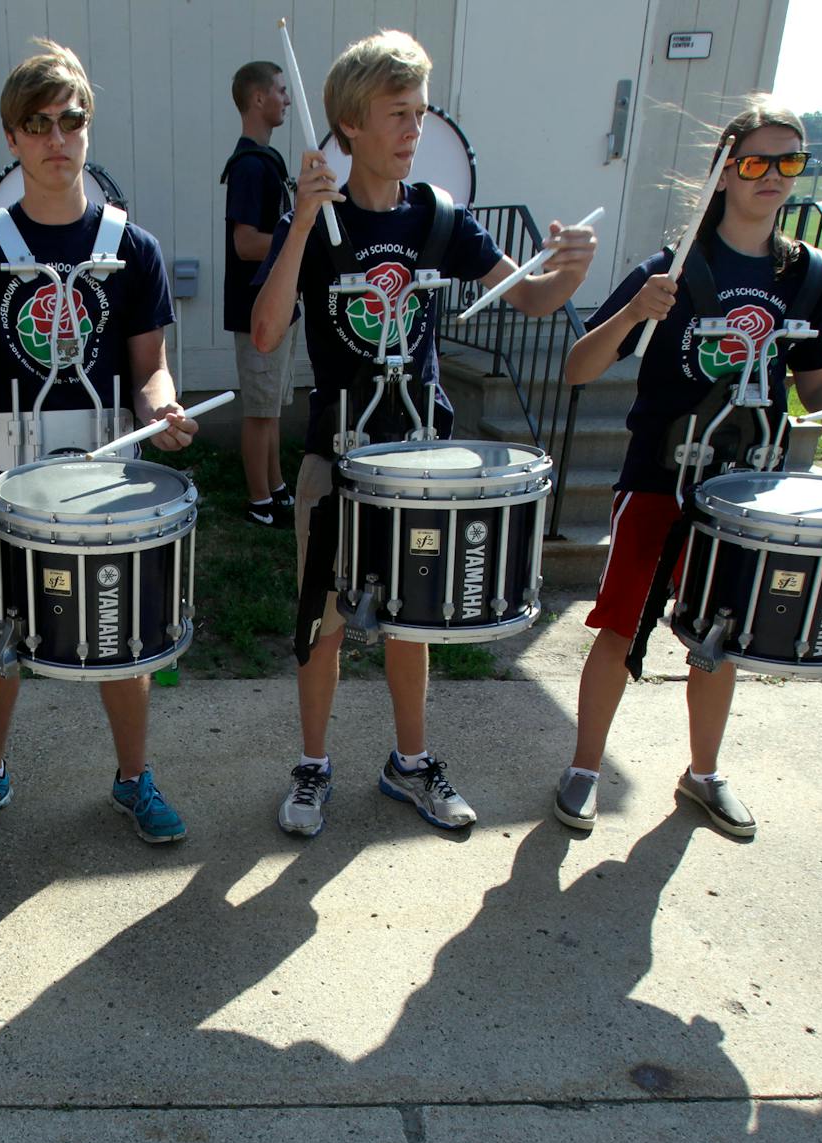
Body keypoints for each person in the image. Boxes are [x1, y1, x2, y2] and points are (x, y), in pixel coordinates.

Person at [249, 29, 594, 837]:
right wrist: (300, 223)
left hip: (422, 462)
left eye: (421, 112)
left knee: (416, 617)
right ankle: (313, 765)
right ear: (349, 127)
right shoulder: (318, 222)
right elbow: (266, 333)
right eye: (397, 114)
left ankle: (410, 764)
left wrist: (568, 270)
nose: (414, 130)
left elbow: (532, 299)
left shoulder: (439, 217)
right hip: (336, 459)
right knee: (324, 620)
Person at [554, 98, 822, 841]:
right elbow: (577, 369)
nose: (774, 176)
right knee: (621, 625)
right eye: (757, 161)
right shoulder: (673, 267)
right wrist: (631, 315)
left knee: (722, 634)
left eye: (791, 161)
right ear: (724, 171)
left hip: (749, 490)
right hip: (661, 476)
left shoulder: (807, 275)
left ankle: (703, 773)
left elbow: (819, 386)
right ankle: (585, 768)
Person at [0, 38, 198, 845]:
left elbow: (150, 367)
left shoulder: (134, 248)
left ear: (87, 129)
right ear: (14, 139)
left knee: (124, 633)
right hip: (3, 478)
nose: (57, 139)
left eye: (71, 121)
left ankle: (135, 777)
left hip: (106, 480)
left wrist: (163, 412)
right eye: (39, 125)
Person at [222, 59, 296, 528]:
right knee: (259, 411)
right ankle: (257, 501)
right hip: (257, 310)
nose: (287, 99)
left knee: (271, 410)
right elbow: (246, 243)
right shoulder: (250, 166)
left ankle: (276, 487)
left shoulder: (268, 161)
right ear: (257, 98)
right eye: (281, 91)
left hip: (279, 305)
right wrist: (298, 239)